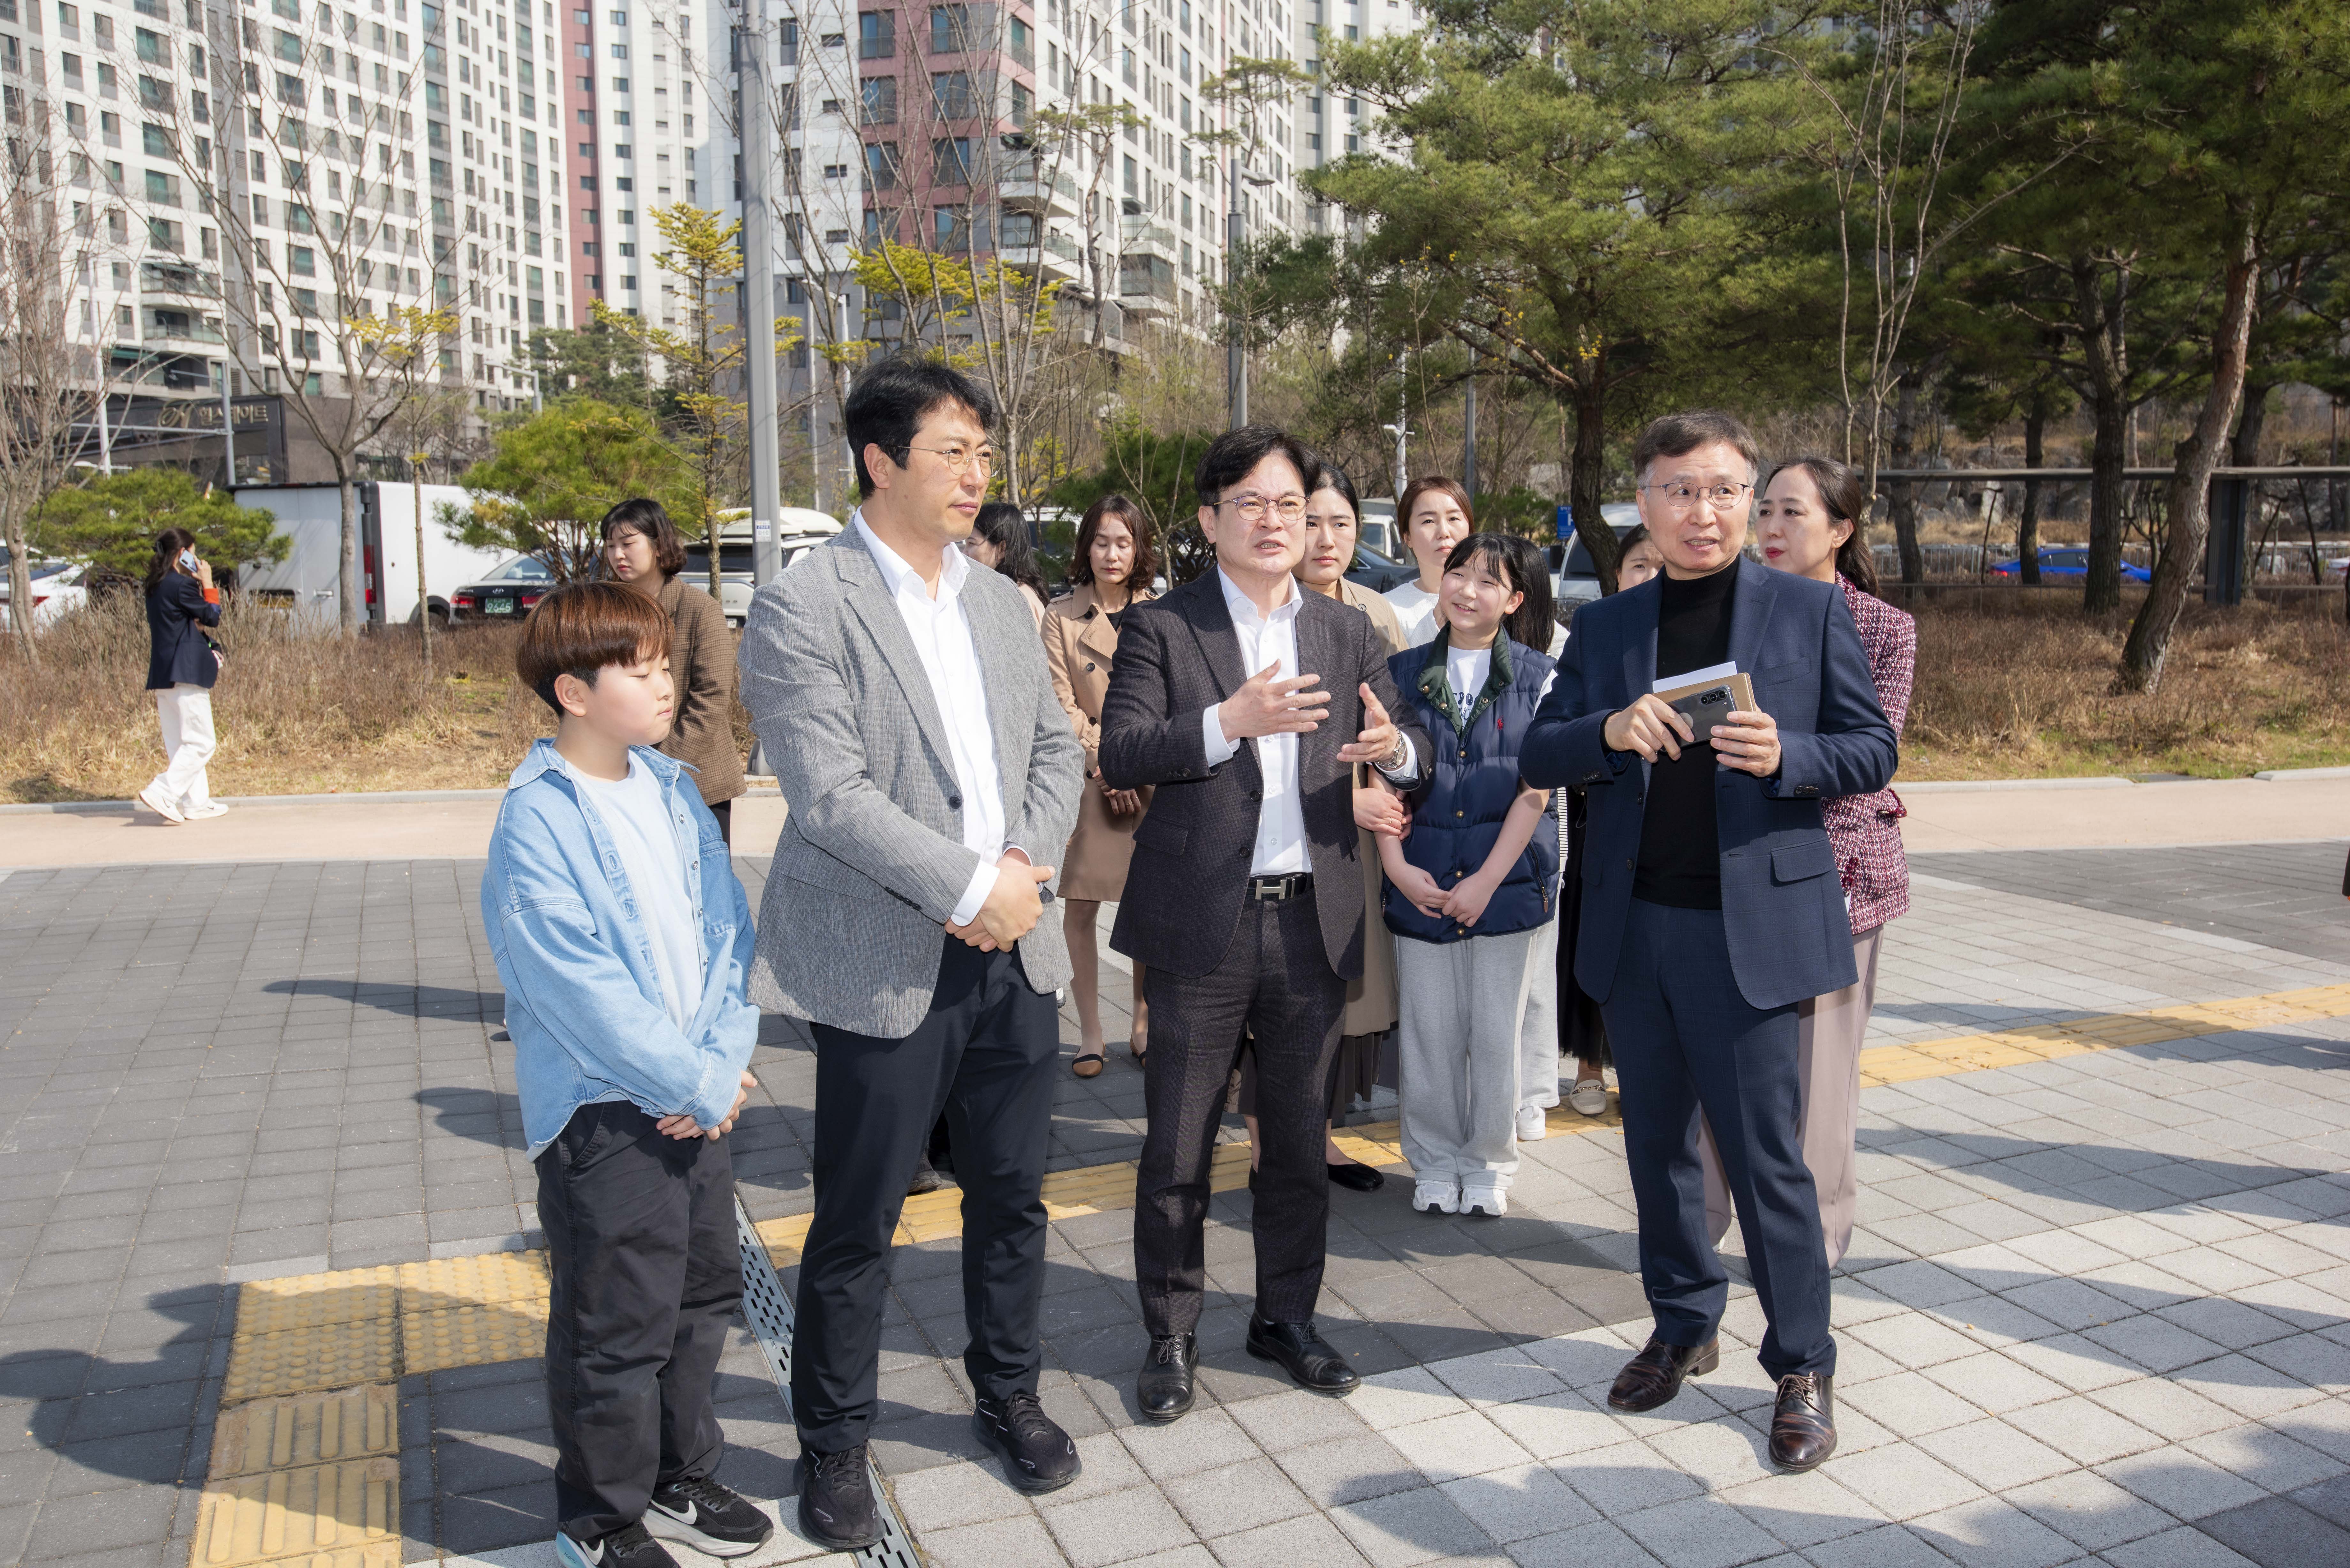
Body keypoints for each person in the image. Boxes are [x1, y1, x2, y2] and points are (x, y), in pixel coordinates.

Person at [736, 357, 1086, 1543]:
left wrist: (1022, 874)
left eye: (984, 452)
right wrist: (966, 884)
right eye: (953, 451)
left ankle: (1011, 1393)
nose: (976, 473)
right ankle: (833, 1442)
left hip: (1016, 945)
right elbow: (826, 794)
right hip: (888, 954)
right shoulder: (804, 601)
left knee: (1013, 1196)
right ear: (881, 461)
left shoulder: (998, 600)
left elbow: (1056, 752)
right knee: (857, 1216)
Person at [1520, 410, 1897, 1474]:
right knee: (1657, 1153)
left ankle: (1803, 1363)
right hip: (1637, 932)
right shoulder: (1606, 630)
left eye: (1727, 489)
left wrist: (1791, 754)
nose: (1707, 510)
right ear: (1642, 502)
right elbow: (1538, 752)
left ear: (1750, 499)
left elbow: (1874, 747)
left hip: (1754, 936)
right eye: (1682, 490)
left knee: (1770, 1159)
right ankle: (1684, 1321)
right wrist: (1604, 731)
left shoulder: (1811, 612)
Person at [1099, 425, 1430, 1423]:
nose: (1273, 520)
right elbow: (1121, 753)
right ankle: (1168, 1330)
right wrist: (1225, 721)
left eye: (1289, 503)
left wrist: (1396, 751)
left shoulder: (1345, 629)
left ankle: (1285, 1316)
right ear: (1208, 521)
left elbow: (1409, 742)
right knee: (1176, 1149)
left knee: (1296, 1142)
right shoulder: (1164, 627)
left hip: (1314, 921)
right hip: (1203, 924)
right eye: (1250, 502)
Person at [484, 583, 770, 1568]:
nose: (665, 683)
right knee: (614, 1325)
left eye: (664, 664)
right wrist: (693, 1078)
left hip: (696, 1093)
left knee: (696, 1299)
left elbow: (727, 930)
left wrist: (721, 1062)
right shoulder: (537, 821)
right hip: (609, 1115)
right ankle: (597, 1521)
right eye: (640, 670)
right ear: (573, 689)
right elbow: (580, 989)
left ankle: (677, 1468)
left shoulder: (671, 787)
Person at [1697, 457, 1916, 1267]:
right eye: (1768, 513)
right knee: (1722, 1065)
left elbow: (1871, 749)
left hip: (1841, 875)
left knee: (1821, 1078)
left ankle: (1809, 1243)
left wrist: (1778, 754)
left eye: (1794, 513)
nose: (1774, 530)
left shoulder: (1884, 627)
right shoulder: (1728, 611)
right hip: (1733, 868)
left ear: (1842, 528)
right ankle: (1705, 1222)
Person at [1234, 462, 1406, 1192]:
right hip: (1275, 849)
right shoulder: (1261, 616)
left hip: (1357, 848)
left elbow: (1394, 729)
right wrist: (1347, 796)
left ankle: (1320, 1135)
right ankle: (1264, 1143)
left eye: (1343, 523)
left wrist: (1386, 773)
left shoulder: (1373, 614)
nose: (1329, 538)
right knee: (1266, 998)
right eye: (1316, 521)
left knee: (1340, 996)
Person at [1381, 534, 1560, 1219]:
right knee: (1428, 1031)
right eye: (1458, 573)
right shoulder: (1397, 673)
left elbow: (1533, 790)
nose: (1466, 589)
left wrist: (1486, 879)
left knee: (1494, 1032)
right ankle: (1431, 1158)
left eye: (1489, 581)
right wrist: (1396, 868)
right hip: (1419, 878)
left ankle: (1486, 1162)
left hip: (1507, 885)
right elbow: (1381, 782)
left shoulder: (1540, 677)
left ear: (1514, 600)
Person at [1040, 495, 1159, 1076]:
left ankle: (1142, 1019)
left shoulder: (1163, 613)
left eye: (1124, 541)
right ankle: (1090, 1030)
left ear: (1138, 549)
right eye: (1102, 541)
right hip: (1090, 777)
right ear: (1086, 545)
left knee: (1146, 903)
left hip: (1149, 777)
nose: (1112, 553)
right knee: (1082, 905)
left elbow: (1166, 702)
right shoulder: (1059, 616)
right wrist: (1106, 765)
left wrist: (1131, 764)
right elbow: (1060, 705)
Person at [1554, 525, 1658, 1119]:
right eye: (1639, 565)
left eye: (1660, 565)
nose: (1650, 575)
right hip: (1600, 818)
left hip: (1666, 834)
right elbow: (1556, 739)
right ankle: (1588, 1066)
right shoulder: (1595, 635)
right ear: (1618, 574)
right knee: (1594, 948)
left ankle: (1638, 1074)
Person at [602, 499, 747, 845]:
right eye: (610, 546)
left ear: (658, 545)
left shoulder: (700, 610)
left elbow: (711, 699)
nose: (617, 555)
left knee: (704, 886)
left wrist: (661, 766)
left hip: (698, 776)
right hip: (623, 775)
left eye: (627, 543)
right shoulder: (607, 613)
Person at [1495, 534, 1568, 1140]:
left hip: (1543, 826)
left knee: (1535, 966)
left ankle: (1534, 1091)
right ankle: (1492, 1085)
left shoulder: (1560, 652)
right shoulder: (1448, 648)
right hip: (1466, 827)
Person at [138, 527, 228, 824]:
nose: (196, 557)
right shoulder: (181, 585)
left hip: (164, 674)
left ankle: (196, 803)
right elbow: (213, 617)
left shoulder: (155, 585)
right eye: (193, 552)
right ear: (182, 553)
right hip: (186, 672)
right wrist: (207, 581)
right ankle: (163, 791)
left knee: (180, 744)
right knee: (202, 742)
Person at [1382, 475, 1473, 645]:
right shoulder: (1388, 609)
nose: (1444, 532)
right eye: (1428, 521)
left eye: (1453, 518)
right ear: (1407, 537)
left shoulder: (1493, 597)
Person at [966, 500, 1051, 629]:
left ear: (1002, 549)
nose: (964, 553)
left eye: (972, 544)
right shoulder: (1015, 591)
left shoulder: (1016, 599)